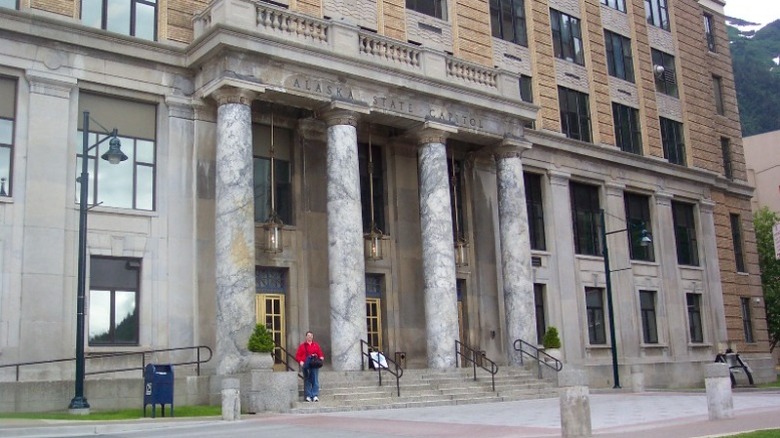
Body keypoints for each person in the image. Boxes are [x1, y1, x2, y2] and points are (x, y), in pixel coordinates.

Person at [295, 330, 324, 402]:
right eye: (308, 336)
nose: (310, 337)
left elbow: (320, 354)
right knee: (307, 380)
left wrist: (321, 358)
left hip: (314, 365)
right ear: (306, 337)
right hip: (306, 365)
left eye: (311, 336)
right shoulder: (302, 346)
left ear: (313, 337)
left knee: (315, 380)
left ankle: (315, 395)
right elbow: (297, 356)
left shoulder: (316, 345)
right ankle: (308, 395)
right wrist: (300, 361)